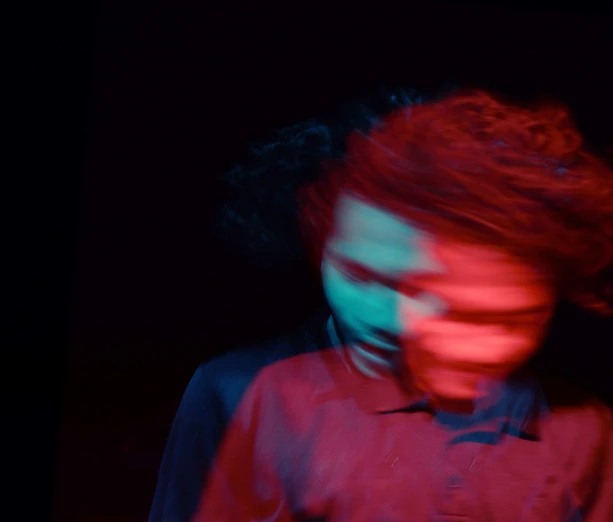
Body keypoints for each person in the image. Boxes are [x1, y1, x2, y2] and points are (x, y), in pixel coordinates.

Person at [191, 89, 613, 521]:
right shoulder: (242, 392)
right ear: (320, 246)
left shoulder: (579, 428)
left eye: (494, 316)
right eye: (362, 276)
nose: (394, 320)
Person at [148, 90, 427, 522]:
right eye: (361, 273)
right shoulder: (232, 391)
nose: (389, 311)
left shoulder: (525, 406)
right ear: (320, 250)